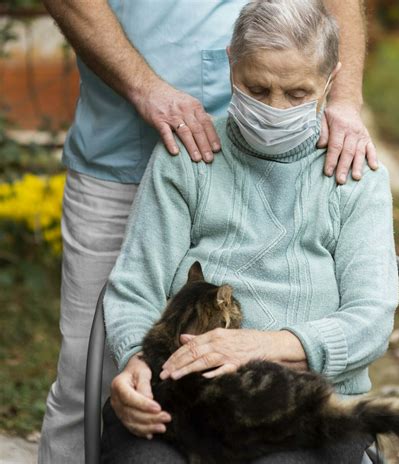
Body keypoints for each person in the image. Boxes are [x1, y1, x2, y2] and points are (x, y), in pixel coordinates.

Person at [38, 0, 378, 462]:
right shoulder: (185, 164)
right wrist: (140, 360)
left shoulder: (351, 170)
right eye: (258, 89)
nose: (275, 109)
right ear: (231, 69)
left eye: (297, 94)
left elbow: (371, 314)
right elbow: (135, 288)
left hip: (300, 400)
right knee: (89, 391)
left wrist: (267, 345)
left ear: (328, 80)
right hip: (187, 397)